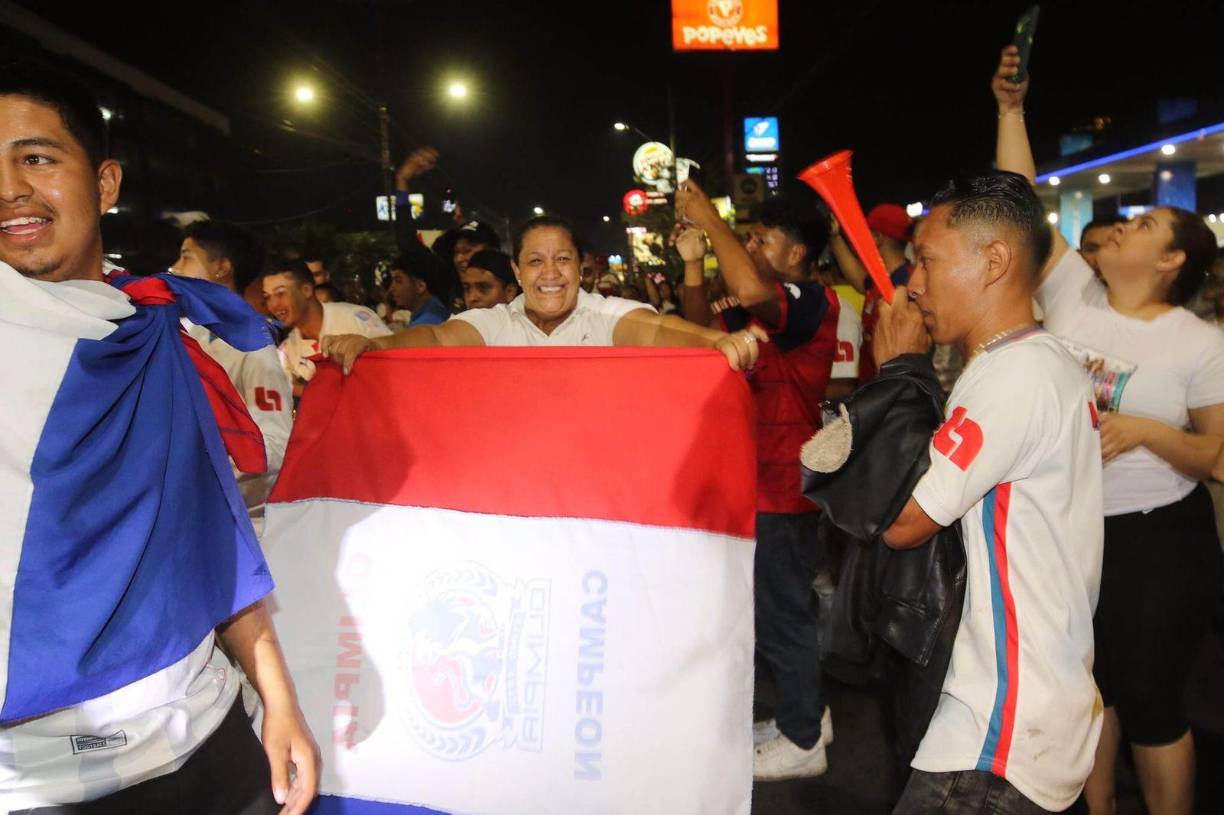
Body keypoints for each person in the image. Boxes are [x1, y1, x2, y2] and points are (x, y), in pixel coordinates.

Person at [0, 64, 317, 814]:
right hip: (36, 783)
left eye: (37, 158)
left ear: (105, 183)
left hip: (207, 740)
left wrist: (276, 695)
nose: (10, 186)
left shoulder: (151, 336)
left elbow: (212, 534)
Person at [994, 45, 1224, 815]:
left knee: (1153, 704)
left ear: (1171, 260)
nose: (1122, 226)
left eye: (1145, 223)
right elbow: (1019, 197)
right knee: (1090, 693)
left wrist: (1148, 431)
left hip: (1159, 540)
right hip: (1073, 531)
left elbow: (1216, 458)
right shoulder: (1074, 295)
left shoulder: (1199, 342)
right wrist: (1011, 109)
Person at [877, 171, 1104, 814]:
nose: (912, 283)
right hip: (1036, 700)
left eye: (925, 260)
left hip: (999, 728)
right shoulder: (1044, 359)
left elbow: (901, 521)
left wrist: (897, 376)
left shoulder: (1012, 377)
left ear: (995, 261)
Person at [676, 183, 840, 781]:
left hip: (781, 484)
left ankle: (802, 743)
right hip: (757, 480)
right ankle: (810, 716)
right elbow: (701, 336)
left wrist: (710, 217)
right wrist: (695, 262)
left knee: (782, 616)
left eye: (761, 238)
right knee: (776, 609)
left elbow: (748, 286)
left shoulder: (810, 302)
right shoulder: (765, 305)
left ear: (797, 254)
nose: (748, 245)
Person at [322, 214, 766, 373]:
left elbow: (658, 329)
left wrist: (720, 342)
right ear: (517, 270)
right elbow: (436, 339)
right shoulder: (497, 322)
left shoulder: (605, 315)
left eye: (562, 260)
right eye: (535, 261)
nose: (550, 274)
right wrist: (373, 345)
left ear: (580, 266)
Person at [169, 220, 293, 533]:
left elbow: (273, 448)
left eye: (186, 257)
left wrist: (201, 481)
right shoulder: (187, 336)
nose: (173, 268)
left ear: (221, 268)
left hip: (233, 525)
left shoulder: (254, 348)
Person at [262, 258, 391, 395]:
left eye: (280, 294)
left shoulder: (355, 318)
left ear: (306, 290)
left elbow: (395, 361)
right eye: (267, 297)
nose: (273, 305)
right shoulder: (287, 352)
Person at [829, 203, 914, 384]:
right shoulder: (883, 279)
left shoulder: (907, 285)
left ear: (877, 237)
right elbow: (860, 280)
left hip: (891, 390)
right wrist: (835, 238)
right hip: (874, 387)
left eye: (867, 233)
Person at [387, 252, 450, 326]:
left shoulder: (427, 322)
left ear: (420, 286)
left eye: (398, 281)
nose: (391, 288)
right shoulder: (432, 310)